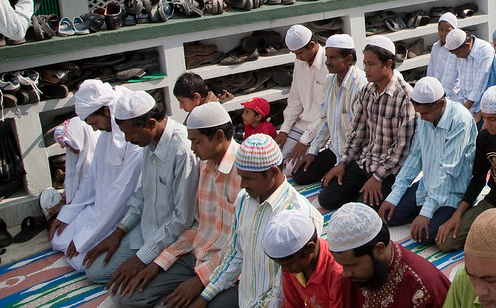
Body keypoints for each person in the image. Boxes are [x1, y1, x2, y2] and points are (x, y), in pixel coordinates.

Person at [122, 102, 240, 308]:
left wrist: (201, 280)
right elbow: (196, 225)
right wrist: (160, 262)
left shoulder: (245, 172)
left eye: (196, 141)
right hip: (197, 254)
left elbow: (243, 243)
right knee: (129, 297)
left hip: (231, 265)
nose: (192, 148)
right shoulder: (204, 166)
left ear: (219, 136)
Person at [84, 91, 198, 289]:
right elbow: (143, 194)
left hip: (172, 237)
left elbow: (182, 219)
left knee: (125, 291)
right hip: (147, 229)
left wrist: (141, 258)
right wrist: (118, 232)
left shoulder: (182, 149)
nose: (128, 140)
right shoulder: (148, 142)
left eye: (130, 133)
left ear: (151, 123)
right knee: (94, 270)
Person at [199, 135, 324, 307]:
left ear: (273, 172)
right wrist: (205, 295)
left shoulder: (300, 215)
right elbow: (235, 254)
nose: (242, 184)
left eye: (248, 178)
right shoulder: (243, 199)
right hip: (244, 299)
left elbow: (284, 286)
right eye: (241, 177)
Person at [50, 80, 144, 271]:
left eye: (94, 123)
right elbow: (91, 179)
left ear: (107, 112)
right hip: (100, 208)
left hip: (121, 214)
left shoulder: (132, 141)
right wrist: (67, 214)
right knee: (59, 240)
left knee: (80, 262)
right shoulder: (104, 137)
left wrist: (86, 236)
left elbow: (122, 194)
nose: (94, 129)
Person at [319, 37, 416, 211]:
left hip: (387, 170)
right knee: (326, 198)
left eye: (371, 64)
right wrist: (343, 162)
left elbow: (402, 148)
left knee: (362, 210)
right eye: (364, 64)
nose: (366, 69)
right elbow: (357, 132)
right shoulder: (368, 91)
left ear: (387, 64)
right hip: (365, 161)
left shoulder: (405, 96)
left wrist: (377, 178)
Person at [379, 77, 477, 246]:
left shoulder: (460, 120)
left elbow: (447, 171)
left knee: (423, 236)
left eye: (425, 113)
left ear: (440, 104)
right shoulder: (424, 118)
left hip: (453, 192)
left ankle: (450, 214)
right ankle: (426, 213)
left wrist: (426, 212)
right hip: (428, 185)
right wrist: (394, 196)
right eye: (420, 113)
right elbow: (415, 157)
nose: (422, 118)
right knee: (390, 215)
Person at [436, 86, 496, 253]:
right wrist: (457, 214)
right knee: (445, 241)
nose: (487, 124)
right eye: (485, 117)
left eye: (492, 119)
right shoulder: (484, 138)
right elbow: (478, 179)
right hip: (491, 202)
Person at [327, 202, 450, 308]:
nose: (345, 273)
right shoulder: (354, 277)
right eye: (343, 266)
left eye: (352, 265)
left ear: (379, 249)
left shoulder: (425, 287)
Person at [294, 34, 366, 187]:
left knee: (328, 196)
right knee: (299, 175)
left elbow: (360, 134)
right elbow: (325, 119)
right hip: (336, 149)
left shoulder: (359, 86)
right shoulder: (330, 80)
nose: (327, 62)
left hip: (354, 156)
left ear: (348, 59)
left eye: (332, 58)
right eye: (327, 57)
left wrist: (342, 164)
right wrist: (313, 151)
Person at [276, 25, 329, 176]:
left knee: (289, 170)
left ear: (312, 45)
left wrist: (304, 141)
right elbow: (295, 98)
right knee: (274, 160)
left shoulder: (328, 63)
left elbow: (327, 112)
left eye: (299, 53)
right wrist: (285, 129)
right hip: (302, 124)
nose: (297, 57)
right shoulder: (299, 62)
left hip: (322, 129)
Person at [264, 208, 343, 308]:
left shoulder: (336, 273)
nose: (284, 270)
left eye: (287, 265)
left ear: (310, 248)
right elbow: (292, 304)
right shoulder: (293, 267)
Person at [41, 118, 98, 229]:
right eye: (67, 146)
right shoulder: (76, 158)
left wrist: (70, 210)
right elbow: (74, 187)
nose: (70, 150)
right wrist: (62, 202)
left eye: (71, 145)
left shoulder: (101, 159)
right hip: (78, 206)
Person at [445, 29, 494, 117]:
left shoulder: (485, 50)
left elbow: (478, 88)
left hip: (480, 107)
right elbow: (448, 80)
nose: (457, 56)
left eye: (458, 53)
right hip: (462, 102)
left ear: (467, 46)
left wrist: (462, 113)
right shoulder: (456, 51)